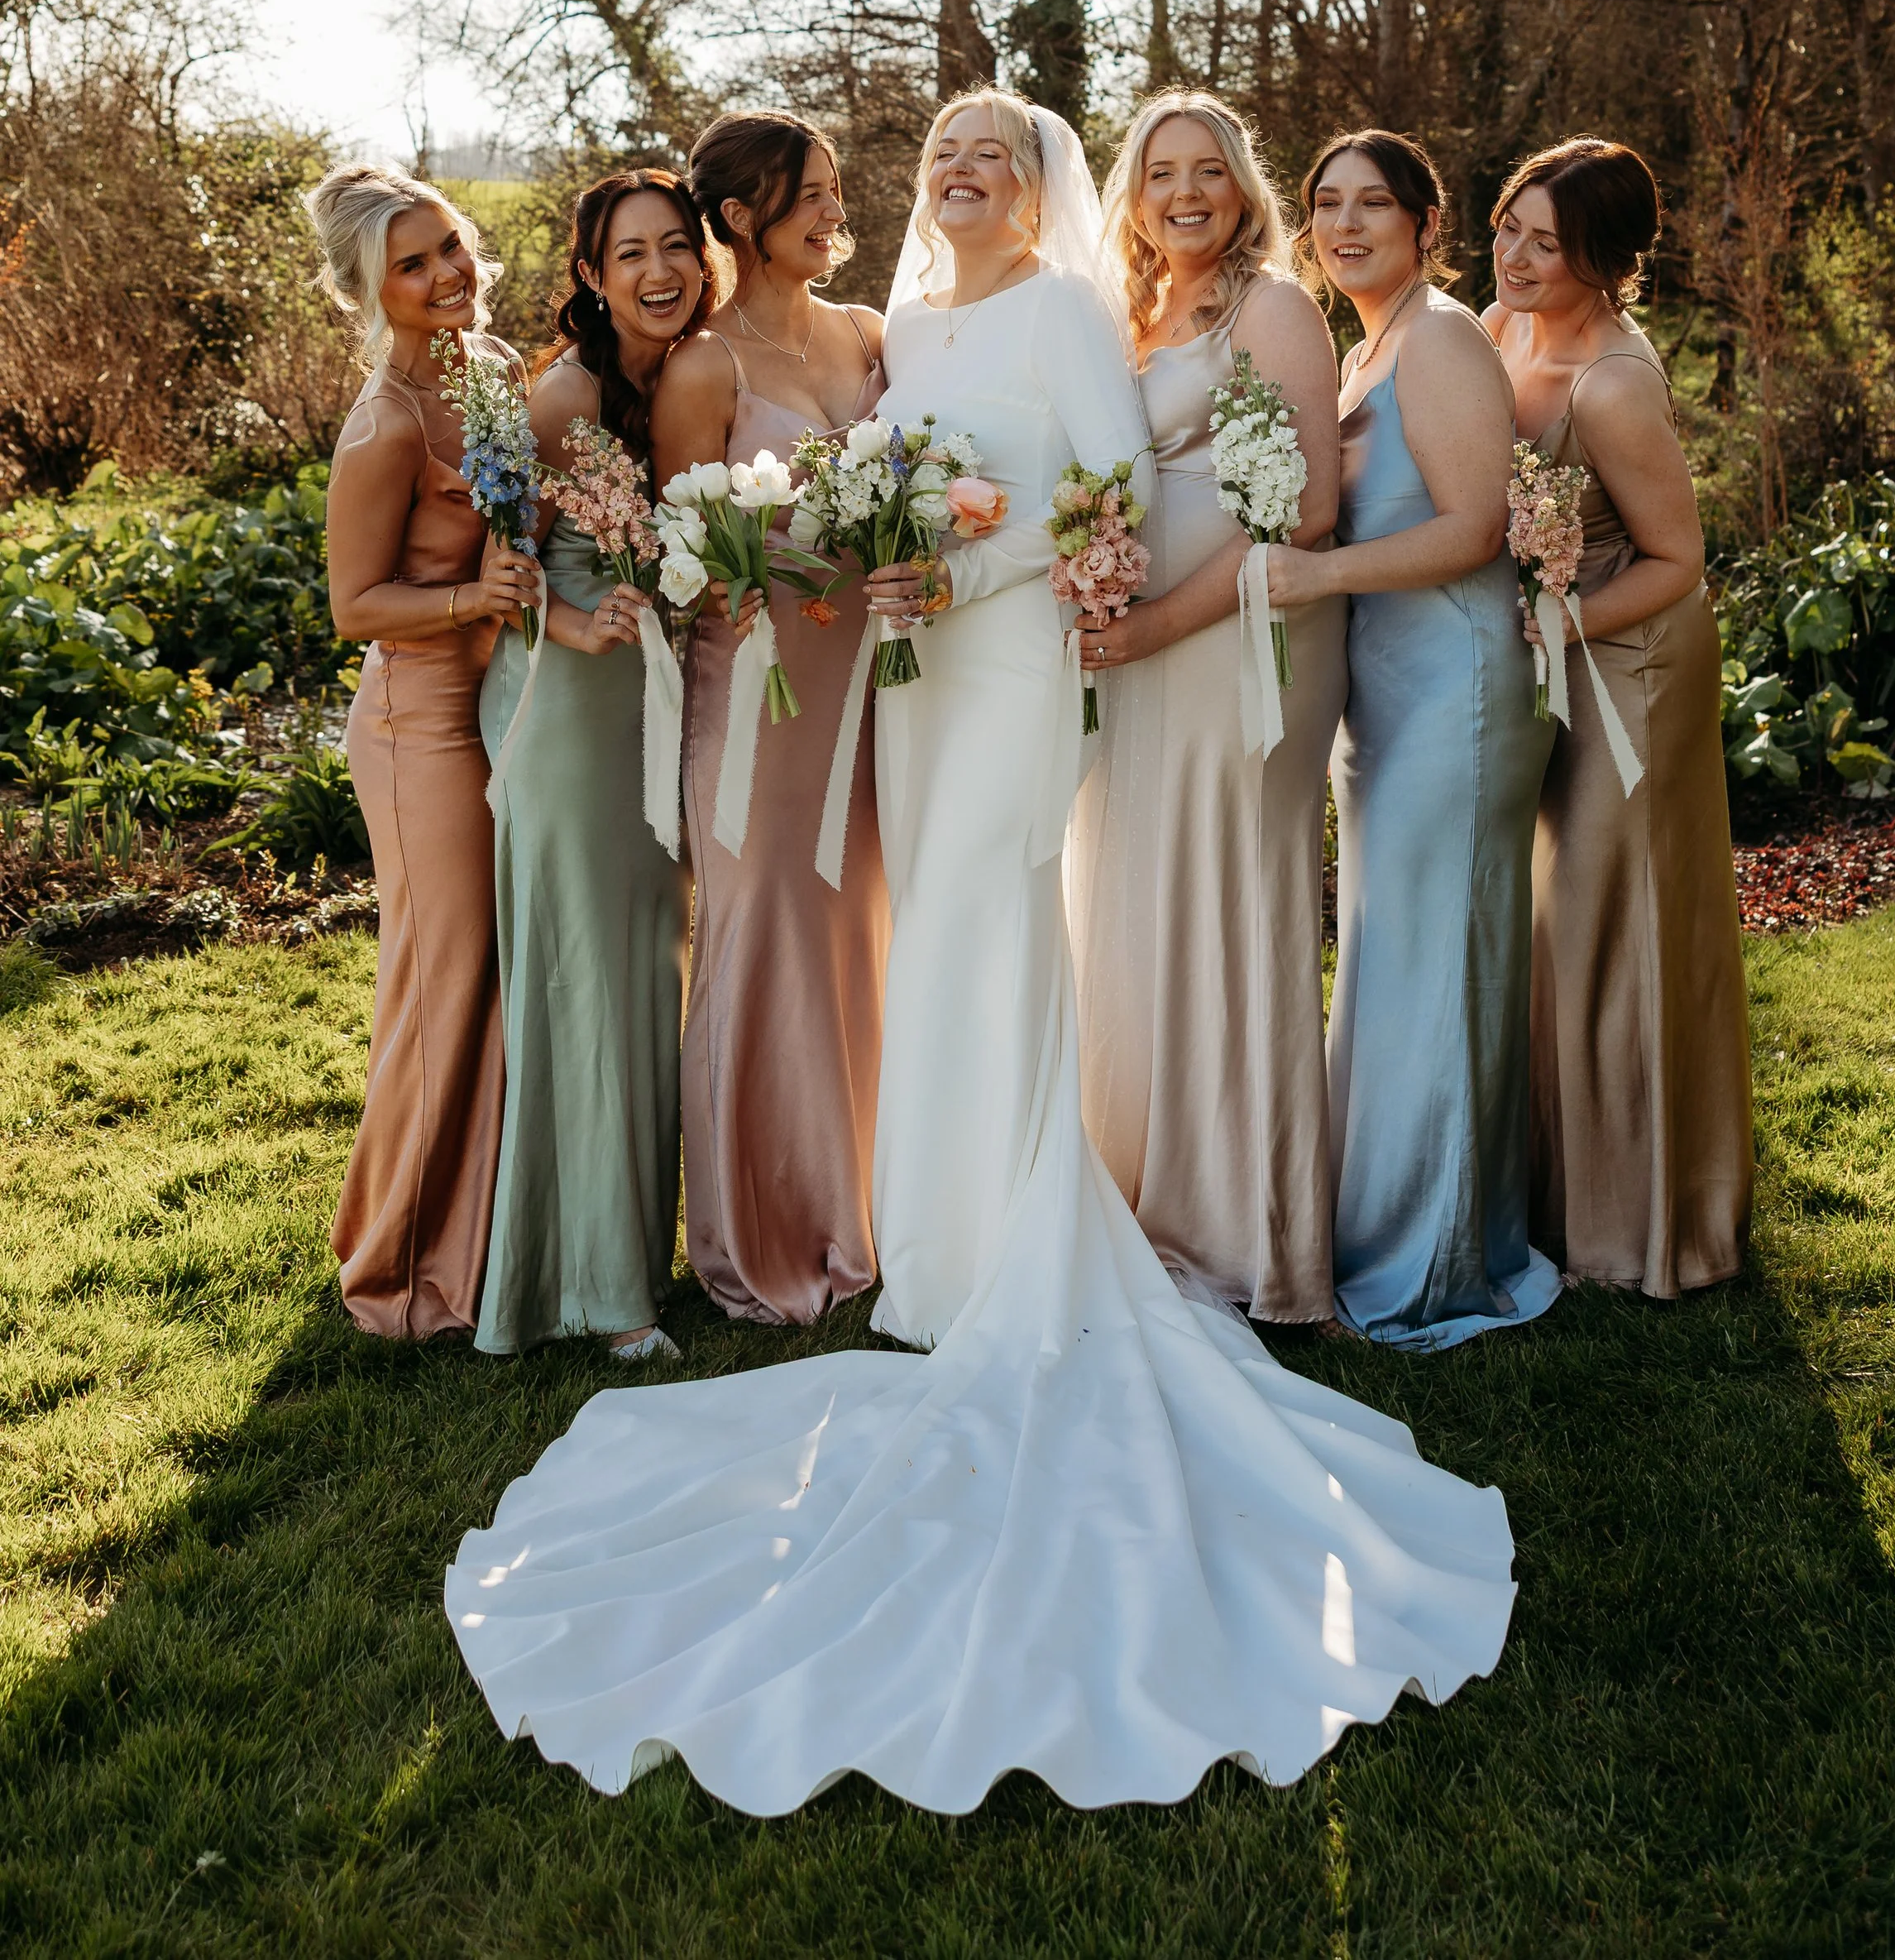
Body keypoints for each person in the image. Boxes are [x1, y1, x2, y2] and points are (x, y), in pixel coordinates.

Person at [445, 92, 1515, 1817]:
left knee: (994, 920)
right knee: (930, 933)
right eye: (940, 159)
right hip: (916, 674)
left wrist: (973, 565)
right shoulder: (911, 328)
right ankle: (932, 1250)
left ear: (1034, 189)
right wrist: (884, 568)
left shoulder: (1066, 314)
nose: (959, 179)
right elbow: (879, 494)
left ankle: (1019, 1241)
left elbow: (1093, 490)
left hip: (1017, 662)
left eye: (990, 160)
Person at [1268, 131, 1557, 1345]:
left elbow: (1475, 529)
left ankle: (1435, 1260)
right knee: (1393, 964)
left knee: (1436, 968)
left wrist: (1313, 572)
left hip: (1459, 685)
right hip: (1386, 696)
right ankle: (1384, 1223)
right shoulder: (1360, 346)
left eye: (1372, 204)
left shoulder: (1437, 338)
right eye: (1325, 204)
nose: (1344, 225)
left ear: (1425, 223)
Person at [1066, 90, 1344, 1323]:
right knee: (1131, 905)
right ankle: (1138, 1197)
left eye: (1208, 171)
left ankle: (1253, 1230)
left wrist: (1146, 629)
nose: (1184, 192)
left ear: (1242, 189)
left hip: (1239, 648)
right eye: (1161, 172)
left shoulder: (1272, 310)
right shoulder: (1124, 319)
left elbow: (1303, 512)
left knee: (1232, 904)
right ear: (1134, 193)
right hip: (1130, 652)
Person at [1486, 137, 1753, 1297]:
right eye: (1509, 228)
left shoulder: (1611, 382)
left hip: (1631, 660)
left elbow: (1679, 560)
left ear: (1604, 260)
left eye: (1550, 243)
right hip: (1552, 647)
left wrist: (1561, 628)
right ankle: (1555, 1188)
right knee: (1554, 913)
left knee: (1615, 908)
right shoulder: (1498, 332)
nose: (1519, 256)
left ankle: (1647, 1220)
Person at [651, 112, 891, 1326]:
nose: (831, 211)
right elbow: (674, 548)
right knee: (764, 930)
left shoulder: (869, 335)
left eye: (837, 191)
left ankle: (863, 1205)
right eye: (809, 194)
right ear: (741, 216)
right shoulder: (707, 367)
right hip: (755, 696)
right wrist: (744, 565)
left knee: (860, 931)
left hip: (866, 683)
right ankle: (758, 1226)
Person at [471, 170, 707, 1361]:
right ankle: (604, 1295)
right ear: (590, 274)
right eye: (632, 255)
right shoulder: (558, 397)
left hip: (649, 715)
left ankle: (617, 1259)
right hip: (568, 720)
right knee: (592, 990)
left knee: (638, 976)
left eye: (677, 247)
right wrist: (573, 623)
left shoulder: (677, 378)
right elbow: (498, 568)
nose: (659, 271)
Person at [307, 164, 535, 1337]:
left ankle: (480, 1228)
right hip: (418, 725)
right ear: (369, 291)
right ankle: (395, 1264)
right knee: (442, 975)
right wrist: (470, 601)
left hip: (503, 702)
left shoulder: (491, 372)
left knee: (494, 970)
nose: (447, 272)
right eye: (413, 263)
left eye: (449, 245)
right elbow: (355, 605)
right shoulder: (386, 424)